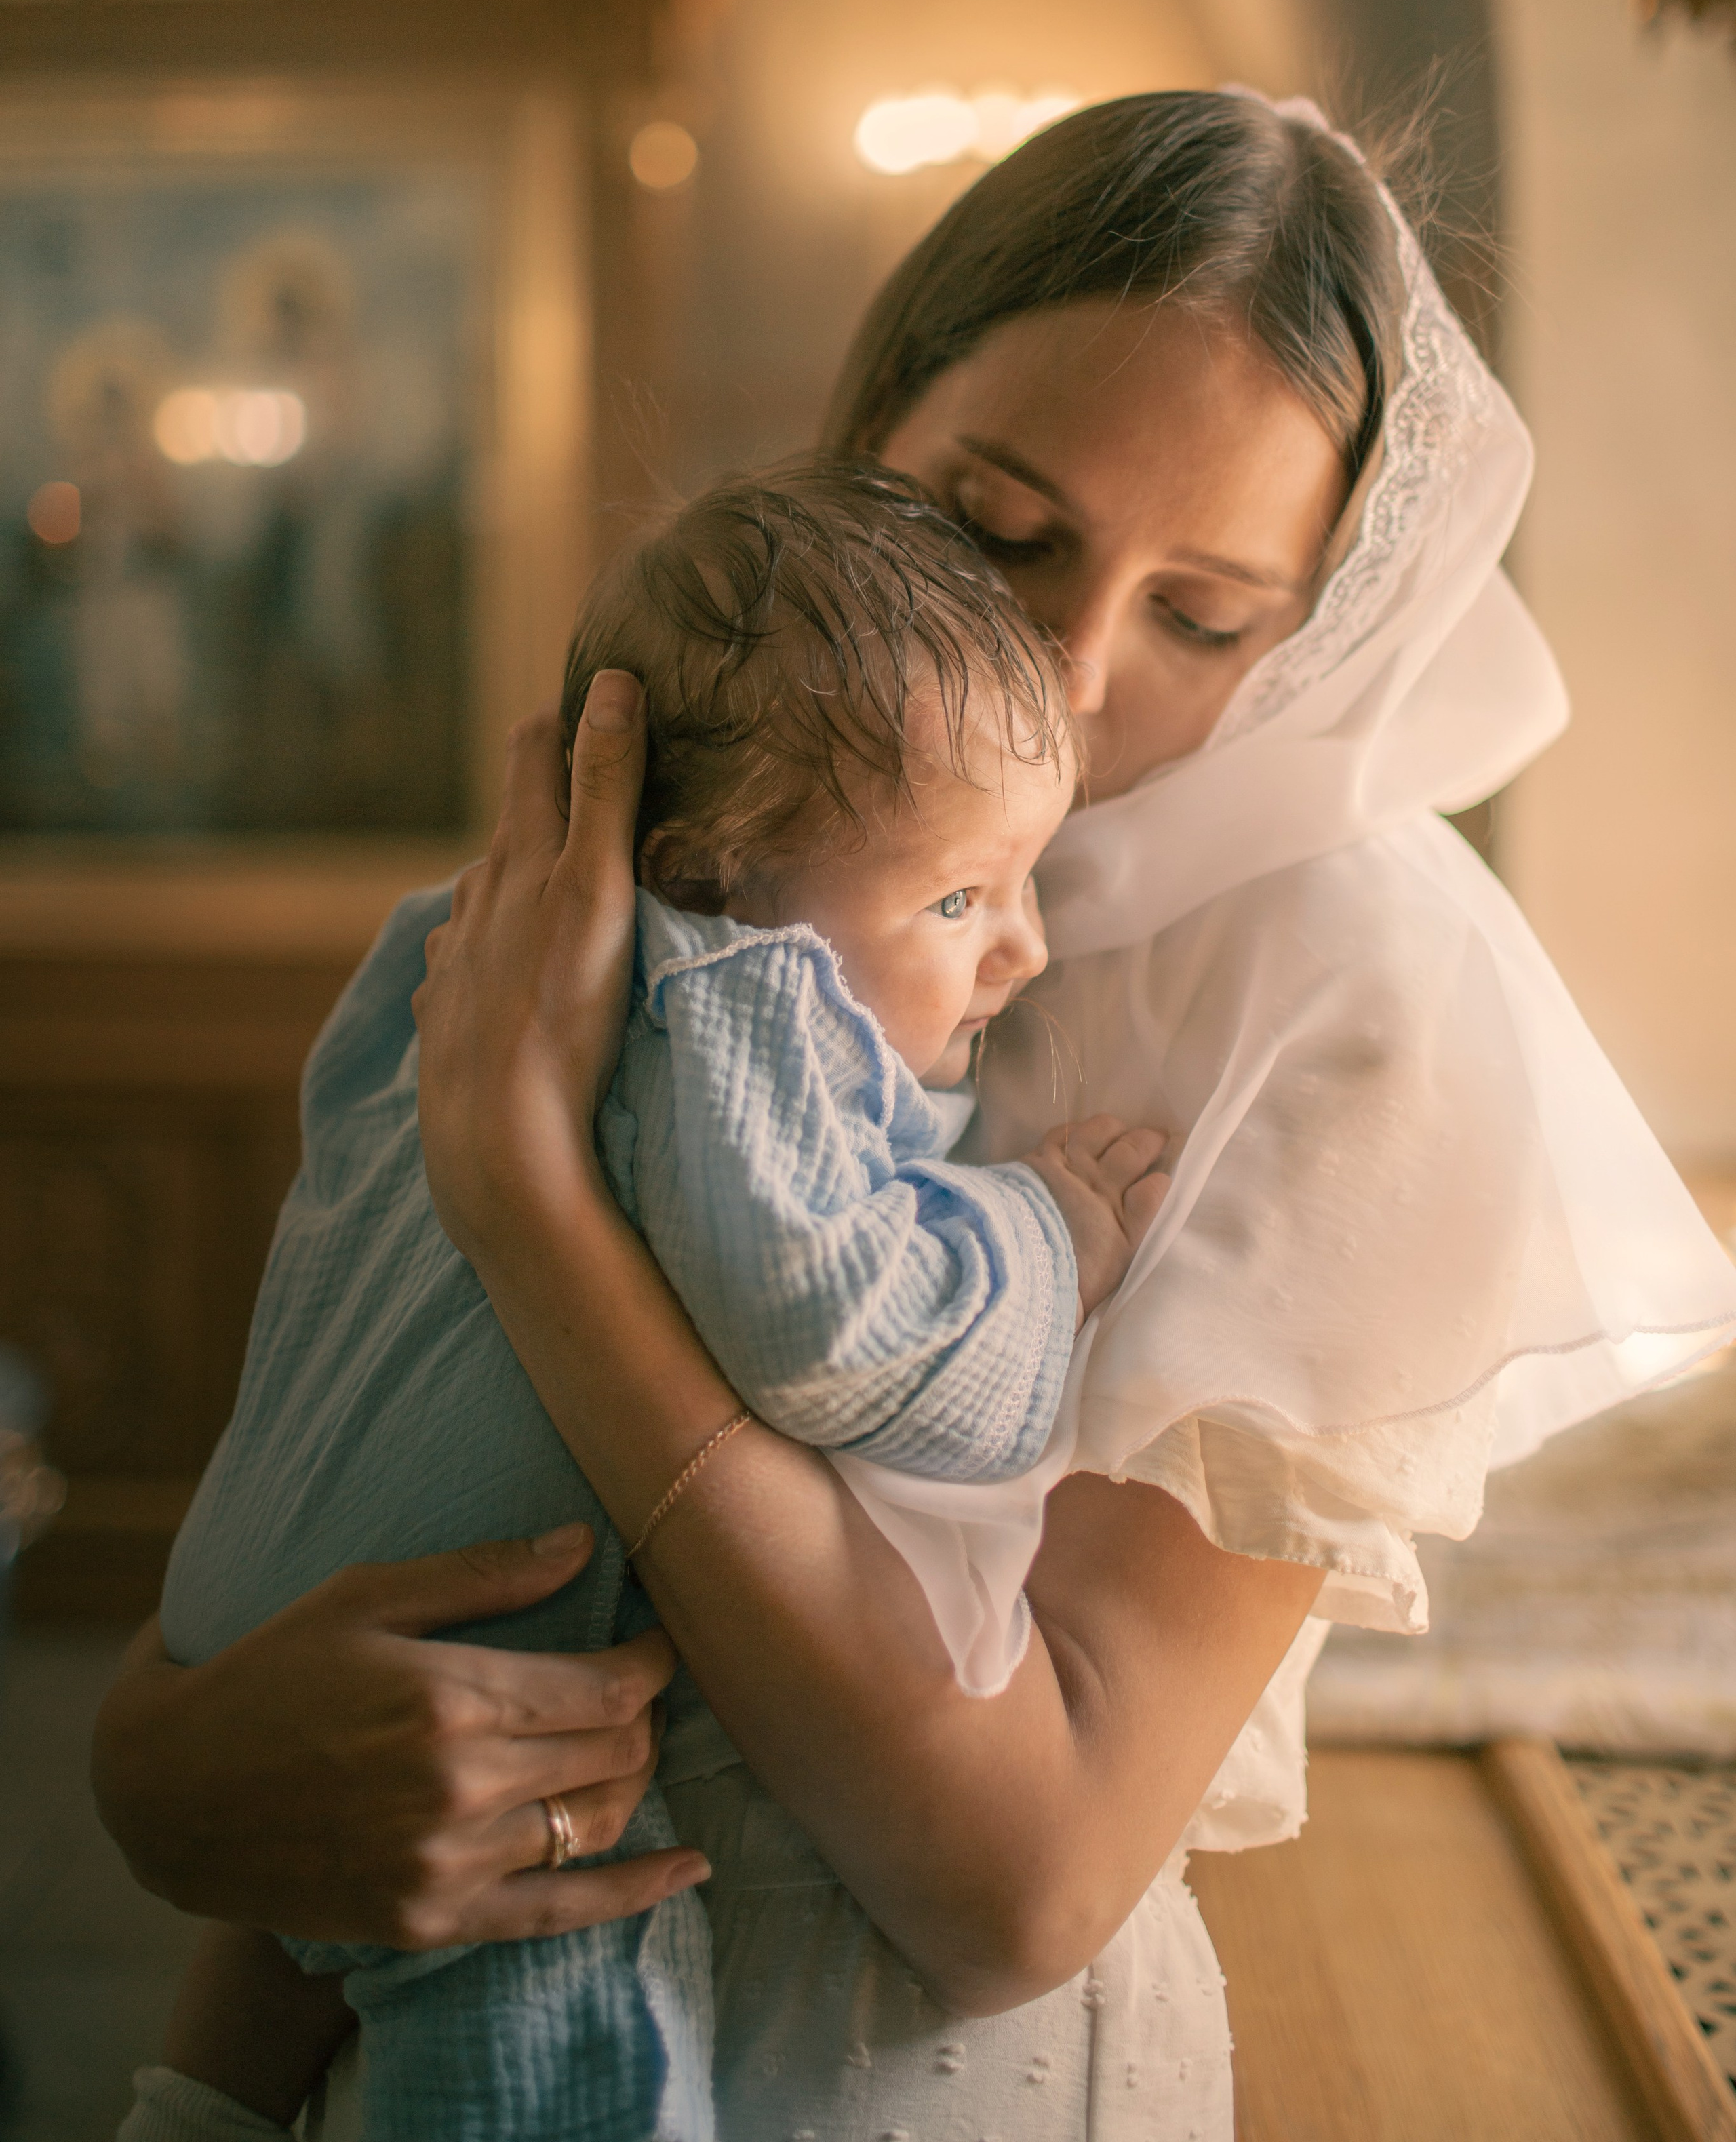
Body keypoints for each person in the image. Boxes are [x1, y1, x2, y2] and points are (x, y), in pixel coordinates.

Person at [94, 90, 1736, 2141]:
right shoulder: (728, 802)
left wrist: (534, 1202)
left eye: (1205, 615)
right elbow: (382, 1448)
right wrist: (160, 1778)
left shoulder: (1360, 995)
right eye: (1005, 529)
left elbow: (1011, 1884)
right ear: (875, 429)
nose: (1067, 663)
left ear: (1319, 628)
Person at [120, 462, 1168, 2142]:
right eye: (959, 897)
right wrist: (1045, 1235)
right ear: (719, 871)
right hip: (486, 1674)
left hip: (261, 1588)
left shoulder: (461, 942)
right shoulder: (742, 998)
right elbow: (845, 1337)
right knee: (560, 2031)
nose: (1023, 950)